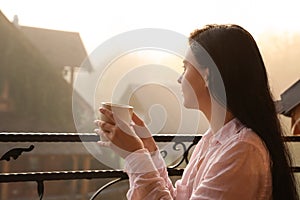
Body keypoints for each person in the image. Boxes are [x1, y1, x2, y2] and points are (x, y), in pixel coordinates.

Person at [95, 24, 299, 200]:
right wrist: (149, 151)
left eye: (185, 68)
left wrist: (135, 156)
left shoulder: (243, 150)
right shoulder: (214, 140)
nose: (179, 78)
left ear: (207, 76)